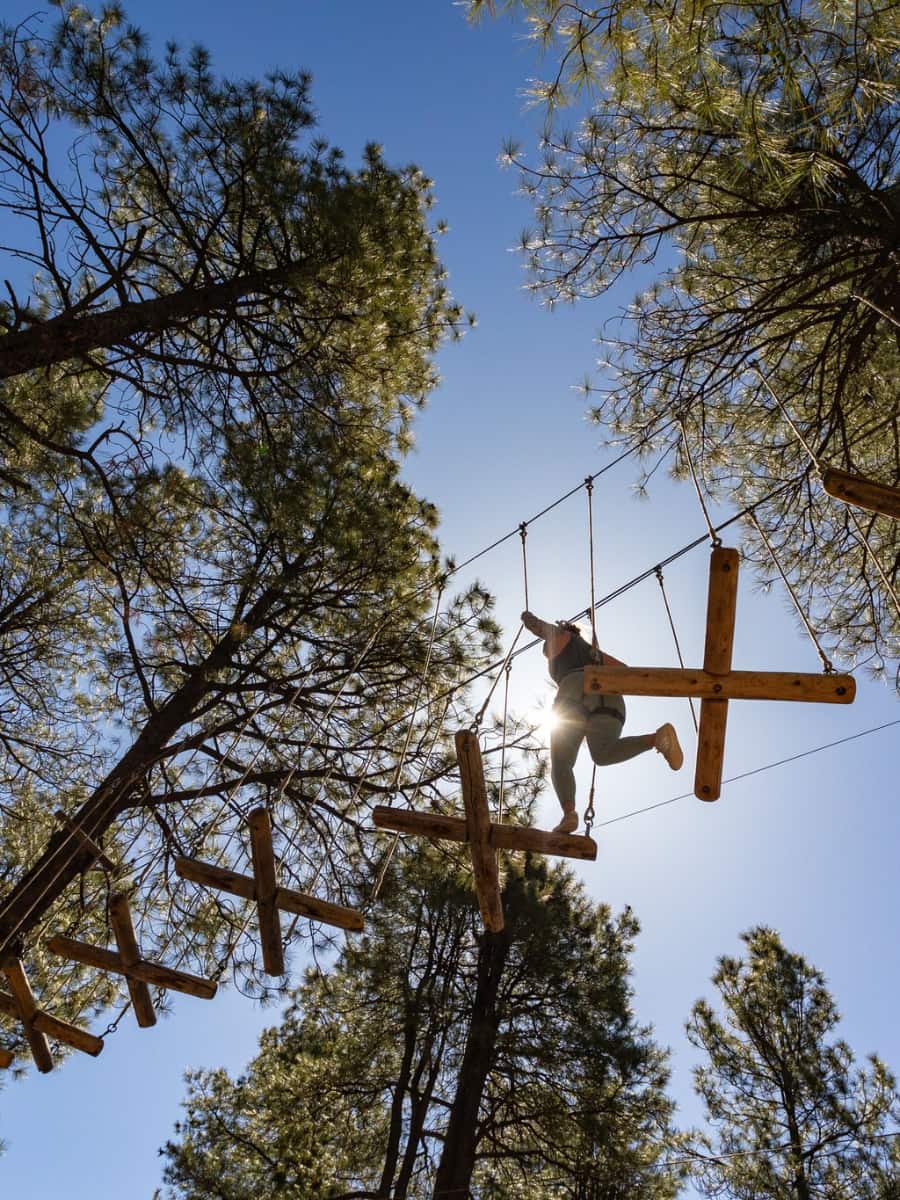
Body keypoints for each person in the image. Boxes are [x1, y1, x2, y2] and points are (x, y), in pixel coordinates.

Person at [521, 610, 683, 833]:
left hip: (574, 691)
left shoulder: (561, 638)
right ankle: (657, 739)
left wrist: (532, 622)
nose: (547, 654)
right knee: (603, 755)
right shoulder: (593, 653)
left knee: (562, 761)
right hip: (609, 698)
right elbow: (625, 671)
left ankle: (569, 814)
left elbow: (545, 629)